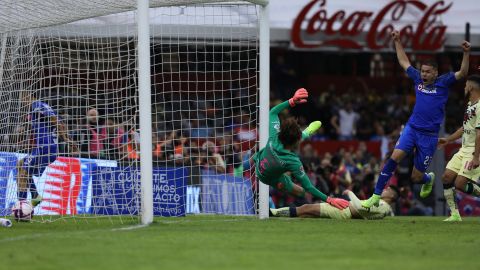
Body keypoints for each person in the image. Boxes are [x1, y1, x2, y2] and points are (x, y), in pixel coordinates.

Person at [362, 30, 471, 208]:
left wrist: (466, 53)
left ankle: (428, 178)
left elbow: (462, 73)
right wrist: (397, 41)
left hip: (429, 136)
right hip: (412, 129)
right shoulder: (417, 80)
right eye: (422, 71)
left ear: (435, 73)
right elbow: (404, 62)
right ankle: (375, 196)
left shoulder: (444, 82)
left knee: (416, 177)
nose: (424, 74)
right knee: (393, 158)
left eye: (427, 72)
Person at [253, 88, 349, 210]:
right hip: (271, 178)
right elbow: (309, 187)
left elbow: (272, 112)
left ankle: (306, 133)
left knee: (276, 165)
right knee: (301, 192)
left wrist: (291, 101)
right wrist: (329, 199)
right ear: (296, 142)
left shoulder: (274, 135)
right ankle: (275, 203)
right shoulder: (293, 161)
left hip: (259, 165)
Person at [16, 92, 77, 207]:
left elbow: (55, 119)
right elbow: (59, 123)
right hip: (44, 148)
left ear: (27, 97)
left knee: (23, 172)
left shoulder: (37, 105)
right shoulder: (37, 108)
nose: (22, 103)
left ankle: (21, 206)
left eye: (23, 100)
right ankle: (34, 196)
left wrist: (65, 138)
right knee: (20, 165)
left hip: (46, 148)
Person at [438, 75, 480, 221]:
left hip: (474, 150)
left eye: (465, 85)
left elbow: (479, 133)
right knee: (446, 177)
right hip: (464, 149)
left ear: (471, 87)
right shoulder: (470, 104)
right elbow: (464, 128)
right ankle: (455, 214)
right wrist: (448, 140)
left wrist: (476, 156)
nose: (464, 88)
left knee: (460, 184)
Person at [270, 186, 398, 220]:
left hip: (343, 210)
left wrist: (349, 193)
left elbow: (360, 207)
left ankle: (272, 213)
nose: (385, 189)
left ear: (392, 196)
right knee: (306, 214)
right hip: (345, 210)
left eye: (388, 190)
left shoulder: (383, 206)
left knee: (305, 208)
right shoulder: (384, 207)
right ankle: (276, 214)